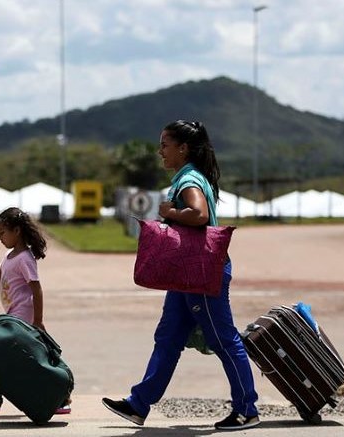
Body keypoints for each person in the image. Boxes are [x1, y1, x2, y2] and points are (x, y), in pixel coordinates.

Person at [102, 120, 260, 431]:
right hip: (185, 274)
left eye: (165, 144)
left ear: (182, 148)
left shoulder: (188, 179)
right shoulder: (188, 177)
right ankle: (139, 404)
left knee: (224, 340)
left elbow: (198, 215)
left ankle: (247, 409)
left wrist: (169, 213)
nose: (160, 151)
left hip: (200, 273)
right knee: (168, 337)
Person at [0, 206, 71, 415]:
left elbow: (37, 288)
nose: (0, 238)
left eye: (2, 233)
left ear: (17, 231)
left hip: (22, 318)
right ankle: (60, 400)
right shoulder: (9, 256)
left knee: (2, 355)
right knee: (20, 360)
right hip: (13, 317)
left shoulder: (25, 258)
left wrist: (38, 320)